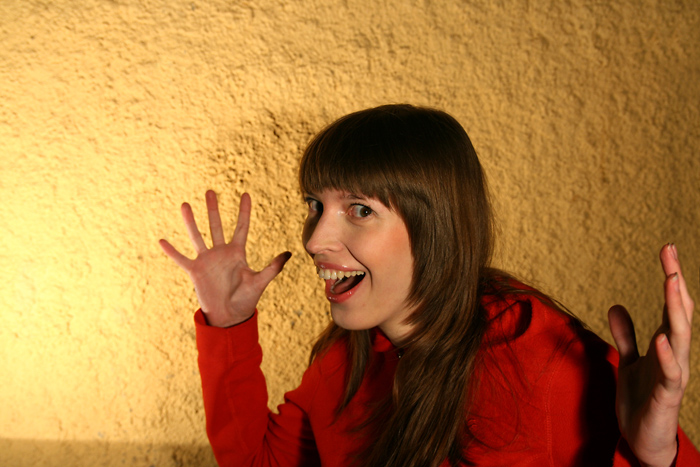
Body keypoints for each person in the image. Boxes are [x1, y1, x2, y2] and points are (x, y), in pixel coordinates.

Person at [159, 104, 698, 466]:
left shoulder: (549, 364)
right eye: (315, 205)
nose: (315, 239)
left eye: (360, 210)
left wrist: (654, 457)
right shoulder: (342, 363)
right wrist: (228, 327)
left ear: (435, 226)